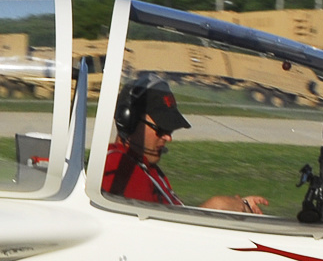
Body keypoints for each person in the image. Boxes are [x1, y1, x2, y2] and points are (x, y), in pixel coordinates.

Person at [101, 76, 269, 214]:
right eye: (161, 128)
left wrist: (234, 209)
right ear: (128, 121)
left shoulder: (146, 168)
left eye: (170, 130)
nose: (168, 137)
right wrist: (211, 208)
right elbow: (147, 240)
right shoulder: (119, 168)